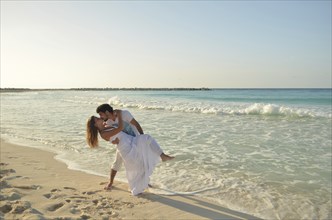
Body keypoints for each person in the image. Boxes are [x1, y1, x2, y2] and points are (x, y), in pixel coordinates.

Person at [86, 115, 174, 196]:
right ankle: (161, 158)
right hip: (127, 148)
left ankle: (145, 182)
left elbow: (114, 136)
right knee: (140, 161)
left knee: (145, 146)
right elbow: (119, 129)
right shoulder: (103, 133)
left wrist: (113, 141)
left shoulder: (106, 127)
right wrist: (120, 115)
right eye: (97, 119)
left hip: (130, 142)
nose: (99, 118)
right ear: (95, 125)